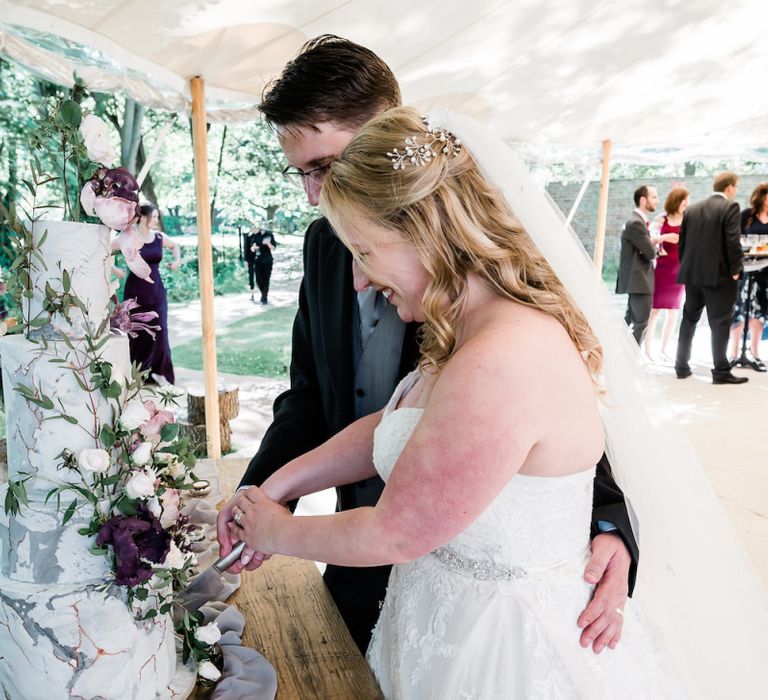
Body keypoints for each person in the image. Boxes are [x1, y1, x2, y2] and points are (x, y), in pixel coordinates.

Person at [224, 108, 700, 697]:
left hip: (503, 651)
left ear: (425, 231)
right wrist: (276, 488)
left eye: (365, 252)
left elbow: (398, 532)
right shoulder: (467, 325)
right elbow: (390, 427)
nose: (358, 281)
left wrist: (275, 533)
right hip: (437, 621)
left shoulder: (500, 355)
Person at [675, 172, 748, 384]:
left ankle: (681, 366)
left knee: (689, 319)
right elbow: (732, 241)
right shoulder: (730, 207)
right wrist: (736, 269)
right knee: (720, 322)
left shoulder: (692, 208)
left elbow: (683, 242)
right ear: (730, 187)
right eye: (736, 186)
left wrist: (686, 267)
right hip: (719, 276)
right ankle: (721, 371)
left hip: (692, 274)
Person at [113, 203, 180, 384]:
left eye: (158, 217)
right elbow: (105, 250)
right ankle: (139, 372)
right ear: (143, 217)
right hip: (135, 292)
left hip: (156, 291)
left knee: (161, 330)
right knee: (137, 332)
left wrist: (177, 261)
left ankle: (160, 371)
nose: (157, 220)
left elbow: (175, 246)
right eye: (155, 216)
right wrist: (113, 268)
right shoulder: (128, 238)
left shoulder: (159, 237)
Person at [615, 185, 673, 346]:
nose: (657, 200)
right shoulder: (636, 223)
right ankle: (630, 361)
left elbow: (644, 248)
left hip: (637, 280)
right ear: (643, 200)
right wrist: (656, 244)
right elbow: (650, 253)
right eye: (654, 197)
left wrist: (652, 243)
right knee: (640, 323)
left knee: (629, 321)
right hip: (639, 280)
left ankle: (621, 357)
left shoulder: (637, 221)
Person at [643, 187, 689, 359]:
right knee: (654, 310)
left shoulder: (687, 220)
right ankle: (647, 349)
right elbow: (649, 240)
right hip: (662, 269)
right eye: (684, 200)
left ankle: (664, 349)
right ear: (676, 201)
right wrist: (664, 237)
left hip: (680, 269)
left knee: (673, 312)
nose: (686, 204)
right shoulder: (661, 219)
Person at [728, 182, 768, 371]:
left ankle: (755, 352)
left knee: (759, 313)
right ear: (761, 196)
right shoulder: (746, 216)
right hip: (746, 271)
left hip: (765, 273)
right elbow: (736, 240)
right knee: (739, 311)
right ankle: (734, 353)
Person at [244, 223, 277, 304]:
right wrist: (253, 248)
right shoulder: (255, 235)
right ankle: (263, 293)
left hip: (267, 260)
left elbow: (273, 248)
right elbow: (251, 248)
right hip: (257, 261)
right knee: (258, 280)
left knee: (266, 279)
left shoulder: (269, 234)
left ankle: (264, 297)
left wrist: (268, 243)